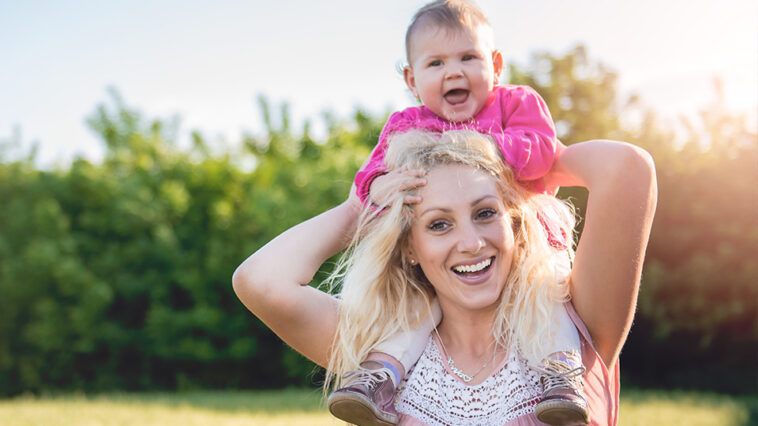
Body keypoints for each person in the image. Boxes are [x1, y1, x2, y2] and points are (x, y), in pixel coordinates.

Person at [232, 129, 657, 425]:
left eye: (486, 213)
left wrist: (525, 158)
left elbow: (626, 167)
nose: (471, 242)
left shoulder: (576, 328)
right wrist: (359, 207)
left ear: (515, 226)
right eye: (439, 224)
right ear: (411, 250)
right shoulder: (381, 359)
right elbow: (260, 281)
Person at [347, 1, 586, 423]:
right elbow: (368, 179)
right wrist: (378, 187)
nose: (453, 72)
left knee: (548, 300)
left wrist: (486, 146)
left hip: (529, 250)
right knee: (419, 311)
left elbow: (541, 152)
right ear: (412, 79)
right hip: (456, 270)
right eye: (435, 63)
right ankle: (379, 376)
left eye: (468, 57)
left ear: (495, 65)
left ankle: (561, 375)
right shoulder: (406, 125)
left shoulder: (514, 104)